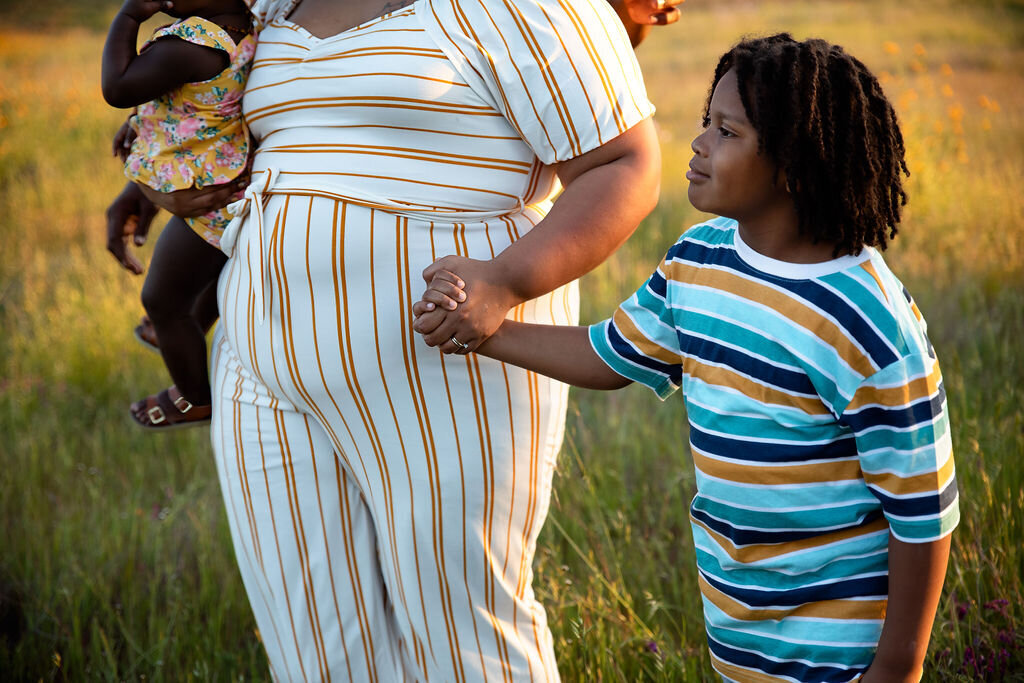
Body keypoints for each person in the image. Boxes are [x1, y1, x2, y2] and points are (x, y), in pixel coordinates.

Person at [104, 0, 681, 678]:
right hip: (261, 371)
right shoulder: (271, 2)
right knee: (314, 645)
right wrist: (153, 180)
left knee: (462, 633)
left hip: (442, 364)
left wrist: (505, 280)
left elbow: (625, 164)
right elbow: (233, 107)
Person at [415, 34, 959, 682]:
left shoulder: (867, 323)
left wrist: (899, 666)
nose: (699, 142)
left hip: (839, 651)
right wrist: (484, 327)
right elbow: (610, 354)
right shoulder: (699, 260)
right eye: (707, 120)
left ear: (794, 161)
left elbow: (923, 514)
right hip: (737, 632)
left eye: (726, 131)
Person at [102, 0, 255, 429]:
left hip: (204, 200)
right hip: (223, 177)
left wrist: (129, 16)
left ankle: (195, 398)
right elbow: (187, 101)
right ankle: (176, 331)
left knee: (162, 299)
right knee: (207, 281)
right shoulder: (243, 25)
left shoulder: (191, 44)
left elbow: (116, 87)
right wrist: (144, 120)